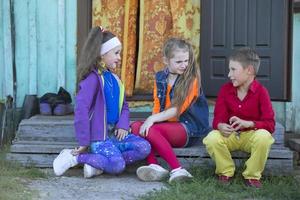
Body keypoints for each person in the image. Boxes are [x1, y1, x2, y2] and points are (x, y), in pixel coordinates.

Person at [53, 26, 151, 178]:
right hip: (98, 137)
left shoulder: (116, 80)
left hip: (114, 135)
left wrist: (123, 125)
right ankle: (74, 158)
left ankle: (99, 163)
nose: (119, 58)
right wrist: (84, 142)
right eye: (116, 53)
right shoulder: (92, 79)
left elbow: (124, 106)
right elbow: (81, 110)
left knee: (144, 147)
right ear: (101, 55)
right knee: (118, 165)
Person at [131, 38, 211, 183]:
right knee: (136, 126)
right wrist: (151, 120)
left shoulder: (191, 79)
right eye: (179, 62)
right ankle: (154, 165)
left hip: (188, 128)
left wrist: (152, 120)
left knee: (149, 128)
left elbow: (176, 110)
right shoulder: (160, 77)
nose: (184, 65)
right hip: (166, 127)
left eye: (186, 60)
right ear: (166, 61)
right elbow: (157, 104)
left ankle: (177, 169)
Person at [203, 47, 275, 188]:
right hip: (231, 136)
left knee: (264, 137)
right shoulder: (225, 90)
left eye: (233, 69)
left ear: (249, 70)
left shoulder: (261, 92)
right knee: (212, 138)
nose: (229, 74)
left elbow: (270, 124)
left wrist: (249, 124)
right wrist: (220, 126)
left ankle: (252, 176)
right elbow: (218, 118)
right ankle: (225, 171)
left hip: (251, 137)